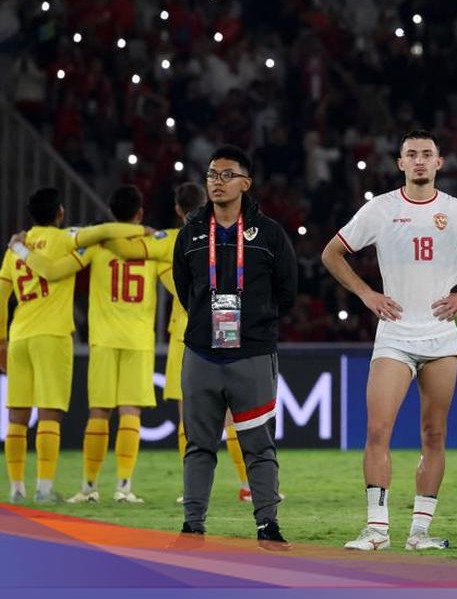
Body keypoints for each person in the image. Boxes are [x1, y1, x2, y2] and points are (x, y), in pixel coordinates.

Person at [324, 130, 457, 551]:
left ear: (439, 163)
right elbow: (331, 253)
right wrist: (367, 294)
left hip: (440, 336)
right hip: (395, 334)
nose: (420, 160)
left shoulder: (456, 212)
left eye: (427, 154)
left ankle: (419, 533)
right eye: (412, 154)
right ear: (401, 163)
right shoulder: (380, 209)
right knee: (377, 430)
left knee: (434, 434)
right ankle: (376, 529)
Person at [172, 145, 297, 549]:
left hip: (253, 353)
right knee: (199, 445)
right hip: (202, 353)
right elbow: (184, 289)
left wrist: (257, 323)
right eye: (212, 175)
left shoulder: (270, 234)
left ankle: (267, 525)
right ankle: (193, 526)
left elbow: (288, 291)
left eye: (227, 175)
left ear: (246, 183)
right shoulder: (190, 233)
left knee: (259, 446)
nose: (217, 182)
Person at [100, 182, 257, 501]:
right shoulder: (226, 234)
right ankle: (250, 485)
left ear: (177, 209)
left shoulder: (169, 239)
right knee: (232, 411)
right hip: (226, 319)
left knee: (191, 414)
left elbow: (129, 252)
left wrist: (105, 234)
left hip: (187, 330)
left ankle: (193, 487)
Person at [2, 188, 145, 503]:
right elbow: (104, 231)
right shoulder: (65, 239)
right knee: (49, 414)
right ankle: (44, 489)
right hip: (52, 335)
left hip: (19, 335)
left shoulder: (14, 248)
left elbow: (1, 296)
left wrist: (1, 340)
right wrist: (144, 231)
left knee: (17, 416)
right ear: (60, 213)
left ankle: (16, 489)